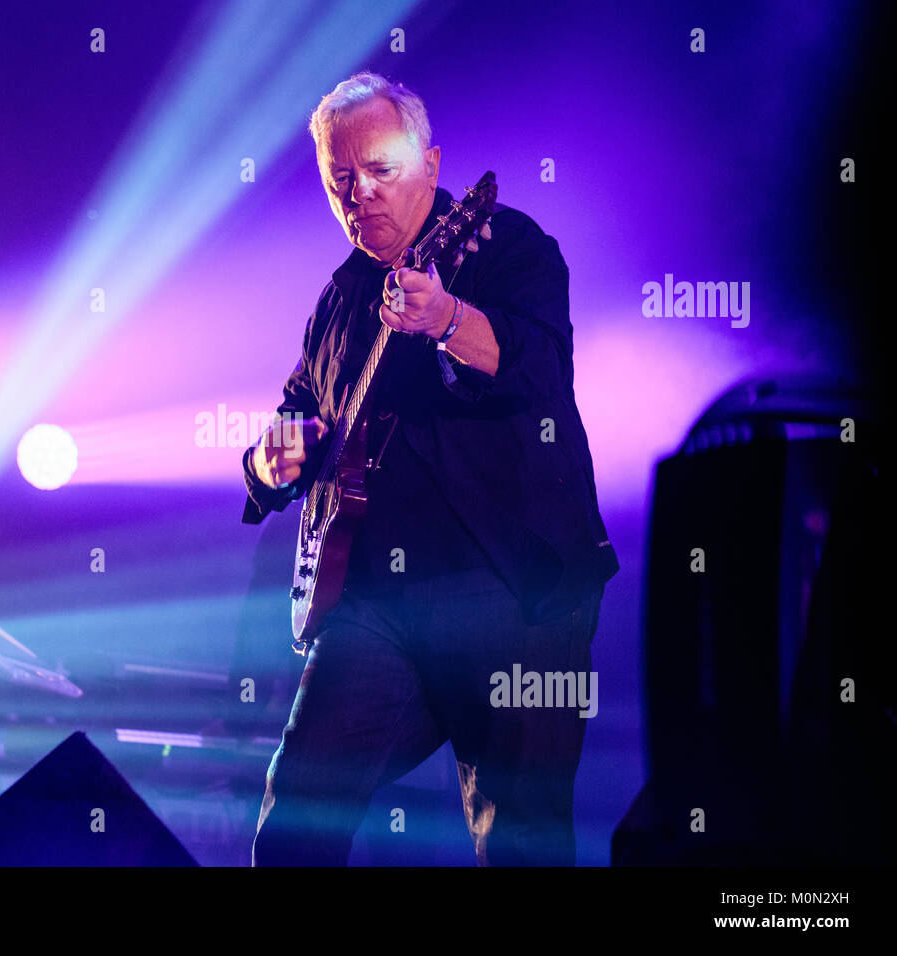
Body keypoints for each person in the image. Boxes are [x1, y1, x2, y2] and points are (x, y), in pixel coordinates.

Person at [240, 72, 619, 866]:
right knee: (296, 815)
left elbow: (540, 371)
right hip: (377, 609)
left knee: (521, 838)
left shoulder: (507, 244)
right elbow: (300, 412)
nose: (360, 193)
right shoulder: (339, 299)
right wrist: (269, 461)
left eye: (380, 169)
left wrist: (445, 317)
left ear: (433, 166)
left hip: (514, 594)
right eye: (341, 178)